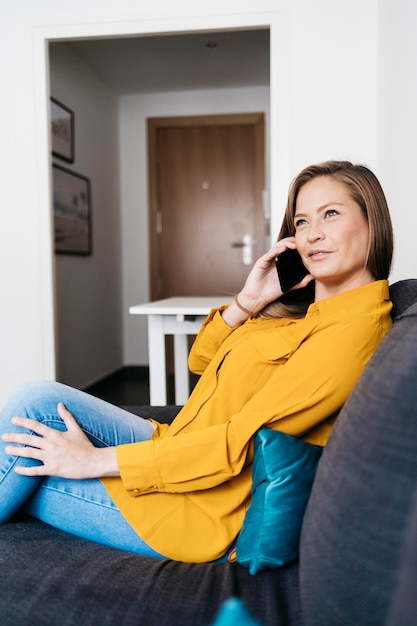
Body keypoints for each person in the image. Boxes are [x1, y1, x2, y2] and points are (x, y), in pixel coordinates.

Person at [0, 160, 394, 563]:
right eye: (302, 221)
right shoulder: (301, 313)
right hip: (175, 448)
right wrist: (249, 301)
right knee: (34, 401)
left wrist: (92, 461)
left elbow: (237, 443)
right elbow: (201, 360)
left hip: (199, 508)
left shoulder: (354, 333)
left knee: (20, 460)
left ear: (371, 221)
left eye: (331, 214)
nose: (313, 235)